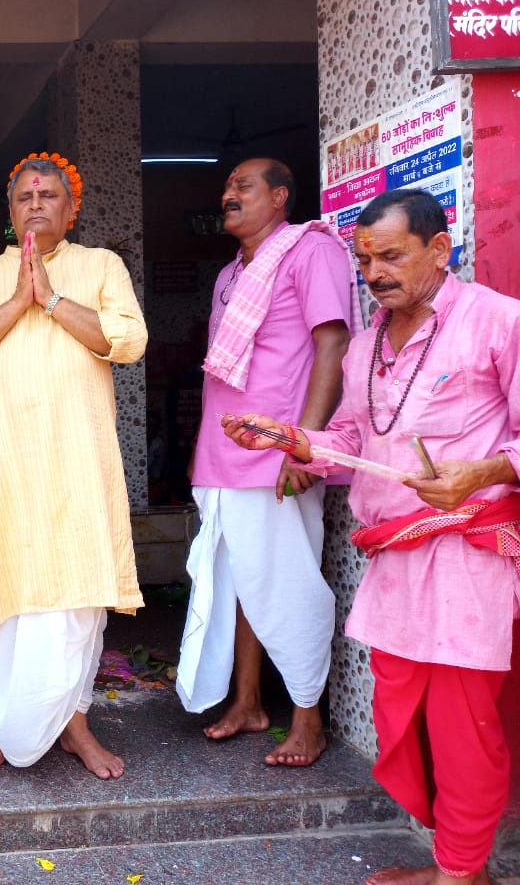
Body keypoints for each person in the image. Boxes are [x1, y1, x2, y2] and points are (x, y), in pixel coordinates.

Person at [223, 188, 520, 885]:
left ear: (439, 249)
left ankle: (459, 873)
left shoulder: (498, 322)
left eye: (391, 256)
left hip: (465, 554)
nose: (375, 273)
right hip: (392, 557)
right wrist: (293, 438)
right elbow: (355, 441)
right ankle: (460, 862)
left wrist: (479, 471)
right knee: (399, 719)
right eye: (365, 261)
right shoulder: (364, 347)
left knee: (461, 724)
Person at [0, 152, 147, 776]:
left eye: (48, 195)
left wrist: (50, 299)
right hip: (6, 468)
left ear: (71, 208)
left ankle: (72, 727)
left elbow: (127, 341)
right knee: (10, 597)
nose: (35, 204)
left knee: (73, 600)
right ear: (10, 209)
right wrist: (18, 300)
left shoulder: (100, 266)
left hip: (79, 464)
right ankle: (13, 726)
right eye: (24, 196)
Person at [175, 158, 355, 767]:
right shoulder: (232, 272)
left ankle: (308, 718)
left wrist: (307, 442)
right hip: (222, 455)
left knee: (289, 583)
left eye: (242, 186)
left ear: (280, 196)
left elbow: (333, 343)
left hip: (281, 452)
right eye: (226, 186)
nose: (228, 194)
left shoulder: (312, 252)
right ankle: (248, 702)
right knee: (242, 583)